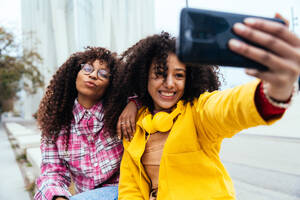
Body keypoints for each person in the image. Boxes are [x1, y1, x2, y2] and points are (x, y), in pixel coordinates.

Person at [104, 16, 300, 200]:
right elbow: (130, 187)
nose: (170, 83)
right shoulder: (135, 124)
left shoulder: (199, 112)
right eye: (159, 74)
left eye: (179, 75)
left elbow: (230, 107)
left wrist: (272, 91)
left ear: (189, 78)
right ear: (143, 77)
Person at [34, 47, 137, 200]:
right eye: (87, 68)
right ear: (75, 74)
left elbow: (148, 97)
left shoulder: (120, 115)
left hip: (124, 192)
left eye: (103, 74)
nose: (94, 75)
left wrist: (134, 103)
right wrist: (58, 197)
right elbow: (52, 173)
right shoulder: (56, 124)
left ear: (111, 84)